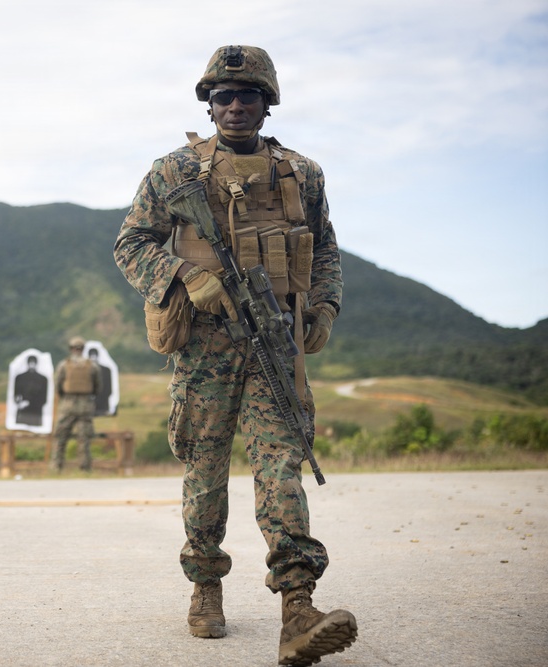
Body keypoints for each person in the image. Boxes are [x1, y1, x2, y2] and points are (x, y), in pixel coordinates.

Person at [113, 45, 355, 666]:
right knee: (205, 469)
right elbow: (131, 243)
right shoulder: (175, 173)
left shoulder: (302, 173)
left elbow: (325, 248)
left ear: (267, 102)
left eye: (248, 95)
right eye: (223, 96)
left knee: (282, 467)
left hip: (275, 340)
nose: (236, 106)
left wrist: (324, 306)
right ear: (209, 104)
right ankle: (205, 587)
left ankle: (297, 607)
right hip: (203, 345)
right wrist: (183, 276)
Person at [51, 336, 100, 472]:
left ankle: (56, 467)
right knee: (84, 439)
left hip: (68, 403)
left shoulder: (63, 365)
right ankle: (85, 469)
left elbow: (58, 385)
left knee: (60, 436)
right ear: (83, 349)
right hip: (86, 405)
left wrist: (64, 397)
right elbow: (97, 387)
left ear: (71, 349)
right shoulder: (92, 365)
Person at [13, 354, 49, 427]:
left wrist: (29, 403)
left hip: (35, 413)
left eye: (33, 363)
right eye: (30, 363)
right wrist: (20, 403)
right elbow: (16, 394)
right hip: (23, 412)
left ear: (36, 364)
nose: (32, 365)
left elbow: (43, 399)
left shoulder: (43, 379)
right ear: (28, 363)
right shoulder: (19, 378)